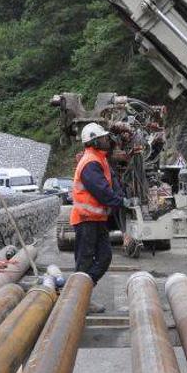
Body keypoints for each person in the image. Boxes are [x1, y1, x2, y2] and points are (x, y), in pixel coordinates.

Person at [70, 123, 125, 312]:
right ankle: (78, 300)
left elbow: (113, 183)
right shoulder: (90, 163)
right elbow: (102, 191)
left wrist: (119, 197)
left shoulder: (100, 159)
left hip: (97, 219)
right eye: (103, 137)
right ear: (94, 141)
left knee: (104, 256)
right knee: (84, 261)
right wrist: (120, 202)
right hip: (86, 220)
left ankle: (81, 295)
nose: (107, 140)